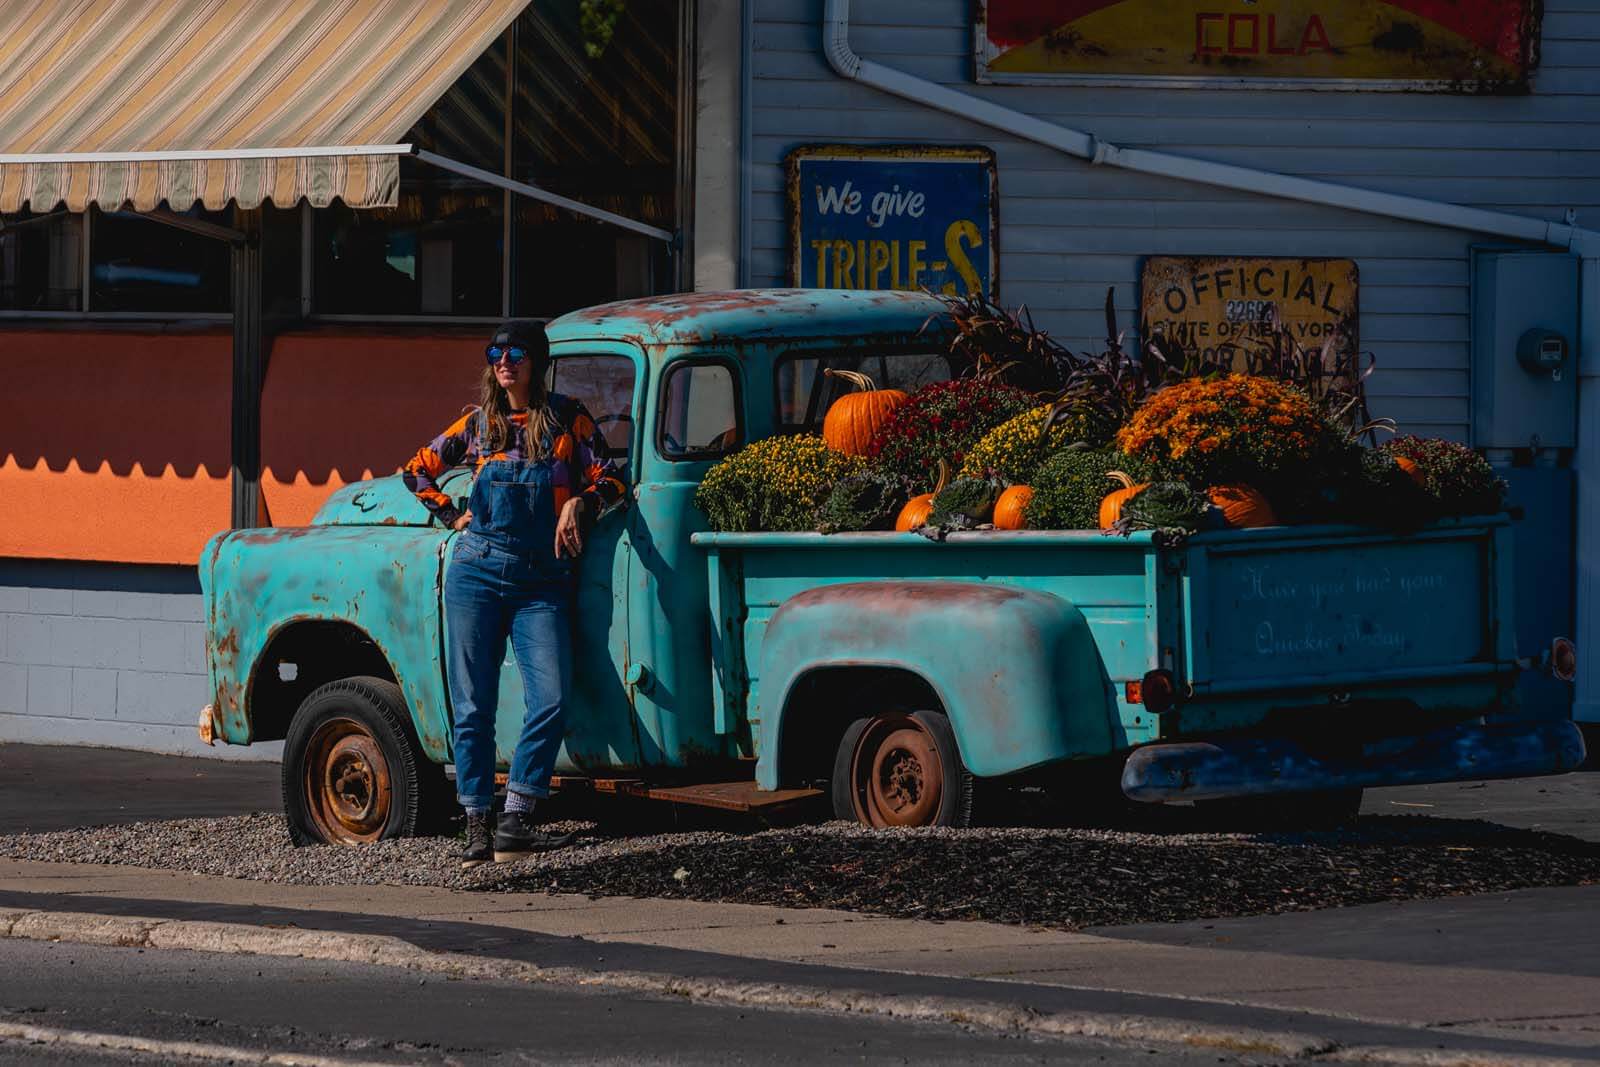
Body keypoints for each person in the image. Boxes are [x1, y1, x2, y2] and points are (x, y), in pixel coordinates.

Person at [402, 320, 626, 869]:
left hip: (542, 581)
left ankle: (518, 814)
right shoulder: (478, 425)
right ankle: (477, 819)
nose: (505, 360)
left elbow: (613, 480)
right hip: (476, 571)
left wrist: (581, 503)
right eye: (496, 352)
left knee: (550, 697)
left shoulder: (568, 420)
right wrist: (454, 516)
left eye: (516, 352)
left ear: (537, 361)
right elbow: (415, 472)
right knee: (473, 703)